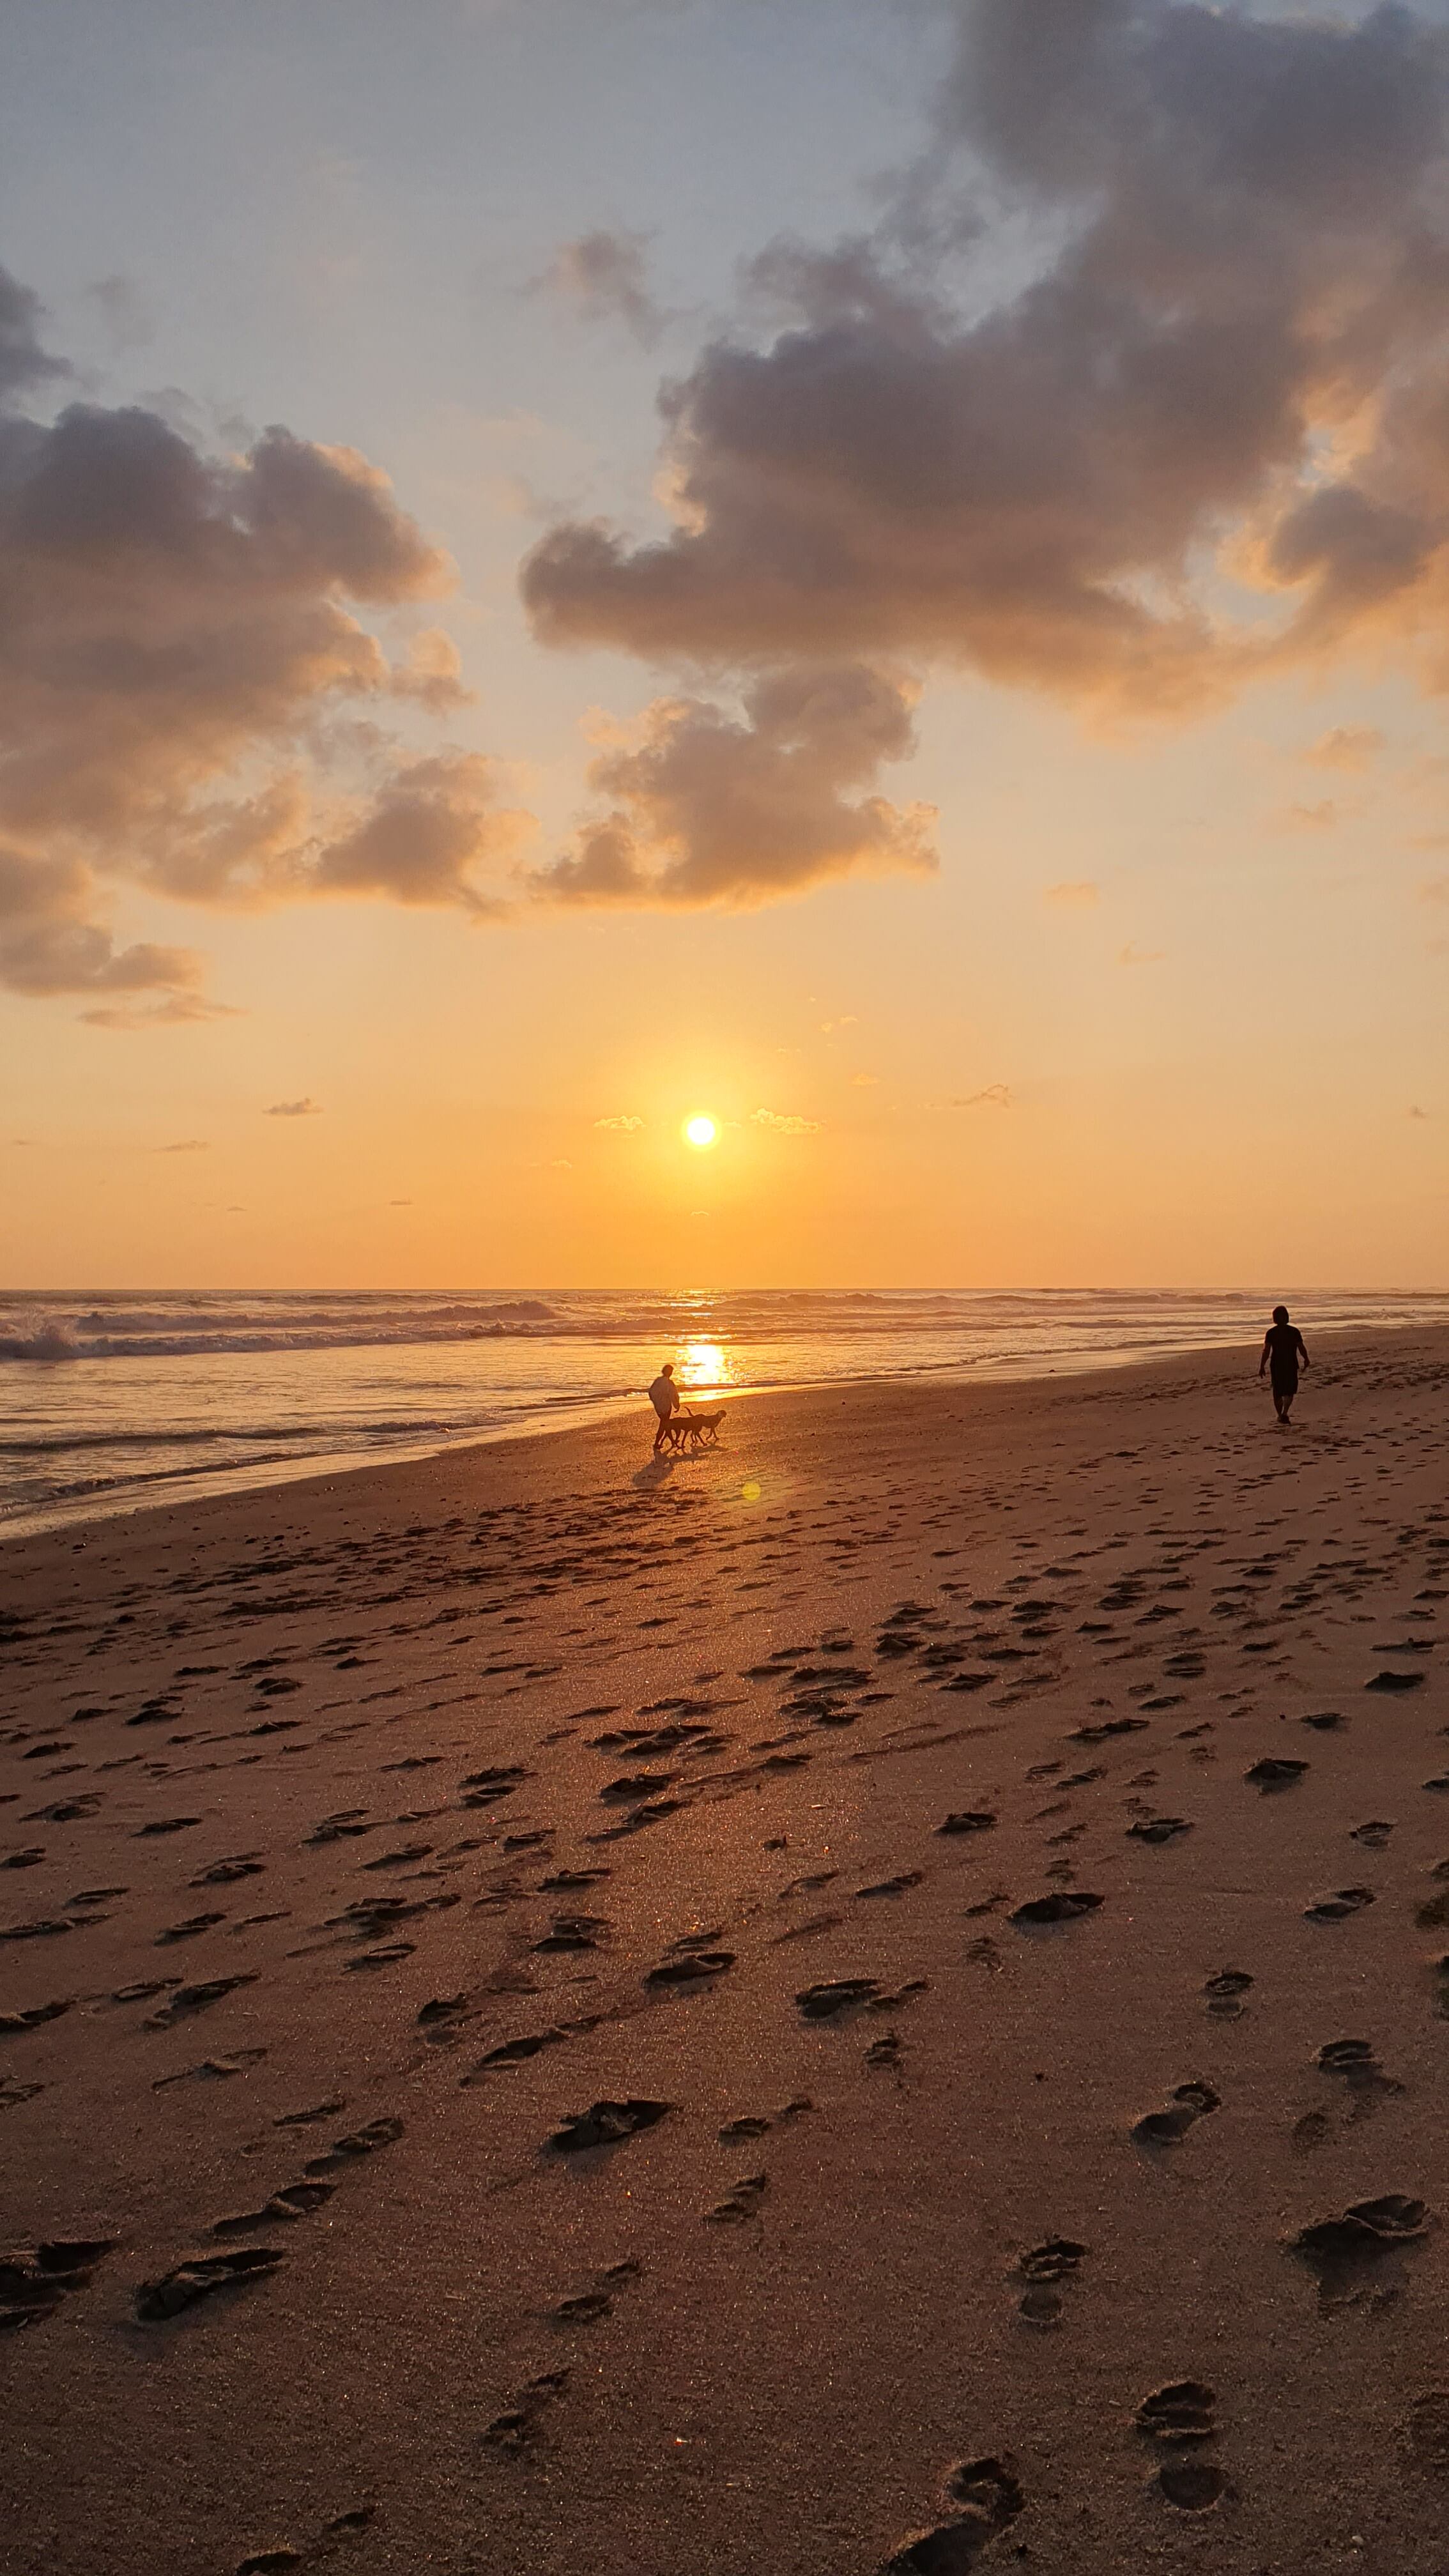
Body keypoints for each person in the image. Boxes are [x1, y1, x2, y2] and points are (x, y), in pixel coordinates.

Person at [1259, 1304, 1309, 1426]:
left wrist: (1262, 1366)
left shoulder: (1271, 1333)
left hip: (1277, 1364)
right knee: (1290, 1390)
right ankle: (1285, 1413)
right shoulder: (1294, 1331)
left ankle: (1280, 1415)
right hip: (1291, 1364)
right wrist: (1306, 1358)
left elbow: (1266, 1351)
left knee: (1278, 1391)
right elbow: (1301, 1347)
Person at [648, 1361, 681, 1453]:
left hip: (659, 1407)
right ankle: (659, 1443)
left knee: (665, 1424)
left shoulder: (658, 1381)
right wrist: (677, 1405)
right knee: (664, 1425)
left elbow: (651, 1393)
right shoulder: (669, 1383)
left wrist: (656, 1402)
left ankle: (672, 1442)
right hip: (666, 1407)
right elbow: (673, 1395)